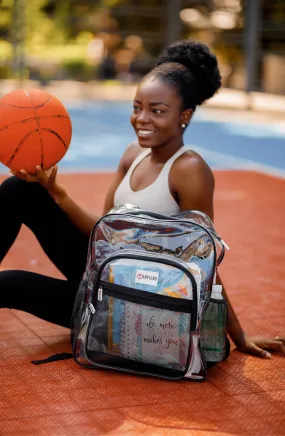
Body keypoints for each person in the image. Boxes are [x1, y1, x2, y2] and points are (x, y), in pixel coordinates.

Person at [0, 40, 284, 359]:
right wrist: (56, 193)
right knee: (19, 189)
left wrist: (238, 335)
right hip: (106, 271)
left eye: (157, 111)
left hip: (134, 301)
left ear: (184, 116)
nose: (142, 119)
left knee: (8, 283)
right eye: (137, 108)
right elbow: (103, 233)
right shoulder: (132, 155)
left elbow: (205, 259)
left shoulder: (190, 170)